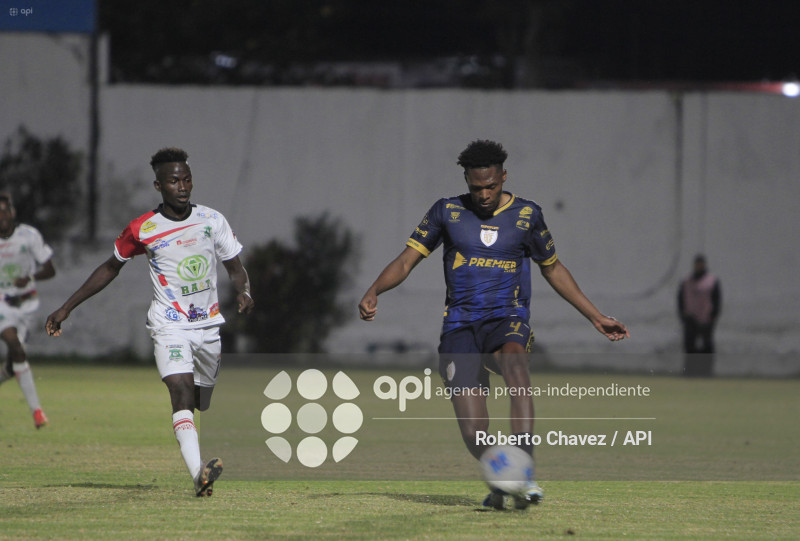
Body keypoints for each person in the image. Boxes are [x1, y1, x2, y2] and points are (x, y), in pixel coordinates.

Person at [358, 140, 629, 509]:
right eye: (476, 188)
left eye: (490, 186)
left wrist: (595, 316)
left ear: (503, 177)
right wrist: (374, 290)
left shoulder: (527, 215)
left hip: (507, 319)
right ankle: (505, 478)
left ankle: (524, 468)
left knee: (516, 367)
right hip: (460, 327)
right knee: (474, 431)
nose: (484, 195)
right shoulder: (447, 211)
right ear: (467, 182)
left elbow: (553, 268)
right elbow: (407, 261)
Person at [45, 148, 254, 497]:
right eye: (174, 181)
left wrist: (244, 290)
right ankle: (199, 476)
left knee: (201, 400)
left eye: (186, 179)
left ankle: (197, 444)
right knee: (180, 392)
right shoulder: (143, 228)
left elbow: (235, 266)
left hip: (207, 327)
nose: (182, 187)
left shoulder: (211, 220)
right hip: (168, 325)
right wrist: (66, 307)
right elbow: (110, 267)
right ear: (159, 185)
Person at [0, 192, 56, 429]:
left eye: (4, 211)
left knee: (13, 365)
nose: (1, 216)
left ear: (12, 212)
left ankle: (36, 411)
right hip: (2, 304)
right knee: (14, 344)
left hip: (26, 305)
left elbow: (50, 270)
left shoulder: (28, 236)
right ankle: (37, 412)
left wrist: (30, 277)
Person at [678, 254, 721, 376]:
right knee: (689, 346)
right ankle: (689, 371)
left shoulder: (711, 281)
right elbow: (680, 299)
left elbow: (716, 300)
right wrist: (683, 316)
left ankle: (706, 371)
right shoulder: (687, 281)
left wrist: (713, 316)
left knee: (707, 347)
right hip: (690, 318)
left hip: (706, 319)